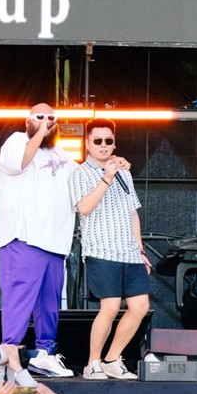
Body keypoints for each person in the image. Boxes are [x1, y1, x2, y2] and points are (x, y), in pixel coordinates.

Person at [0, 103, 77, 378]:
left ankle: (44, 354)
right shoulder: (16, 141)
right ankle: (9, 357)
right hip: (24, 237)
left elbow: (80, 187)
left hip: (55, 241)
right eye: (40, 117)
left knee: (49, 304)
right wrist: (40, 132)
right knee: (19, 300)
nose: (46, 121)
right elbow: (18, 163)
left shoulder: (62, 154)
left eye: (51, 118)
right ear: (28, 120)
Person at [68, 118, 151, 380]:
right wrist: (106, 178)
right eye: (97, 141)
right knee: (111, 307)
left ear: (114, 143)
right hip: (102, 250)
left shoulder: (124, 172)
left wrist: (140, 250)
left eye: (108, 141)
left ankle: (113, 359)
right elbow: (84, 208)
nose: (103, 145)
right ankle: (92, 363)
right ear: (87, 144)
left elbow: (133, 213)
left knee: (140, 306)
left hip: (129, 251)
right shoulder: (80, 173)